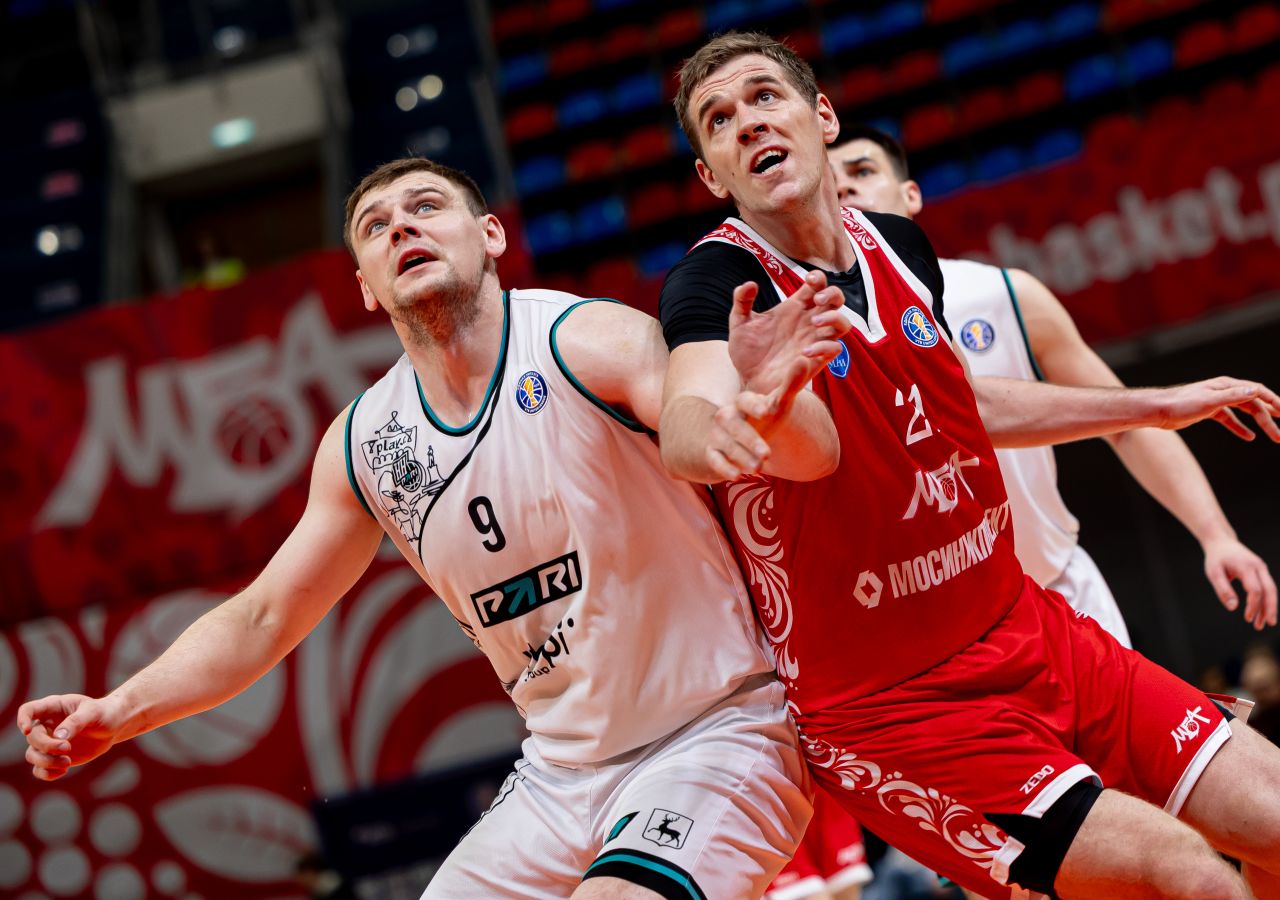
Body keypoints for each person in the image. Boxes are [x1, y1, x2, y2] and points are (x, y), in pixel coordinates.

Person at [17, 157, 856, 899]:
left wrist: (754, 413)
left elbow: (786, 452)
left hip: (718, 730)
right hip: (560, 774)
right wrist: (119, 711)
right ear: (365, 286)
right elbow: (264, 616)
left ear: (490, 235)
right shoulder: (366, 443)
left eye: (425, 207)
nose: (401, 228)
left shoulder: (585, 339)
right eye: (375, 227)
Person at [660, 31, 1280, 900]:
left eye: (765, 96)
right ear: (712, 176)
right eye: (719, 119)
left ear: (821, 116)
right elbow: (688, 418)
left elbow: (961, 405)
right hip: (896, 706)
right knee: (1191, 880)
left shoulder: (899, 245)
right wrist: (740, 412)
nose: (748, 122)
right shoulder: (718, 285)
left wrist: (1152, 404)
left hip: (1025, 626)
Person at [828, 123, 1279, 645]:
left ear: (911, 194)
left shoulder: (1005, 294)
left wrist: (1216, 534)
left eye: (862, 171)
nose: (845, 186)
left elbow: (1127, 425)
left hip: (1057, 585)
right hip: (939, 625)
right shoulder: (820, 327)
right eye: (830, 180)